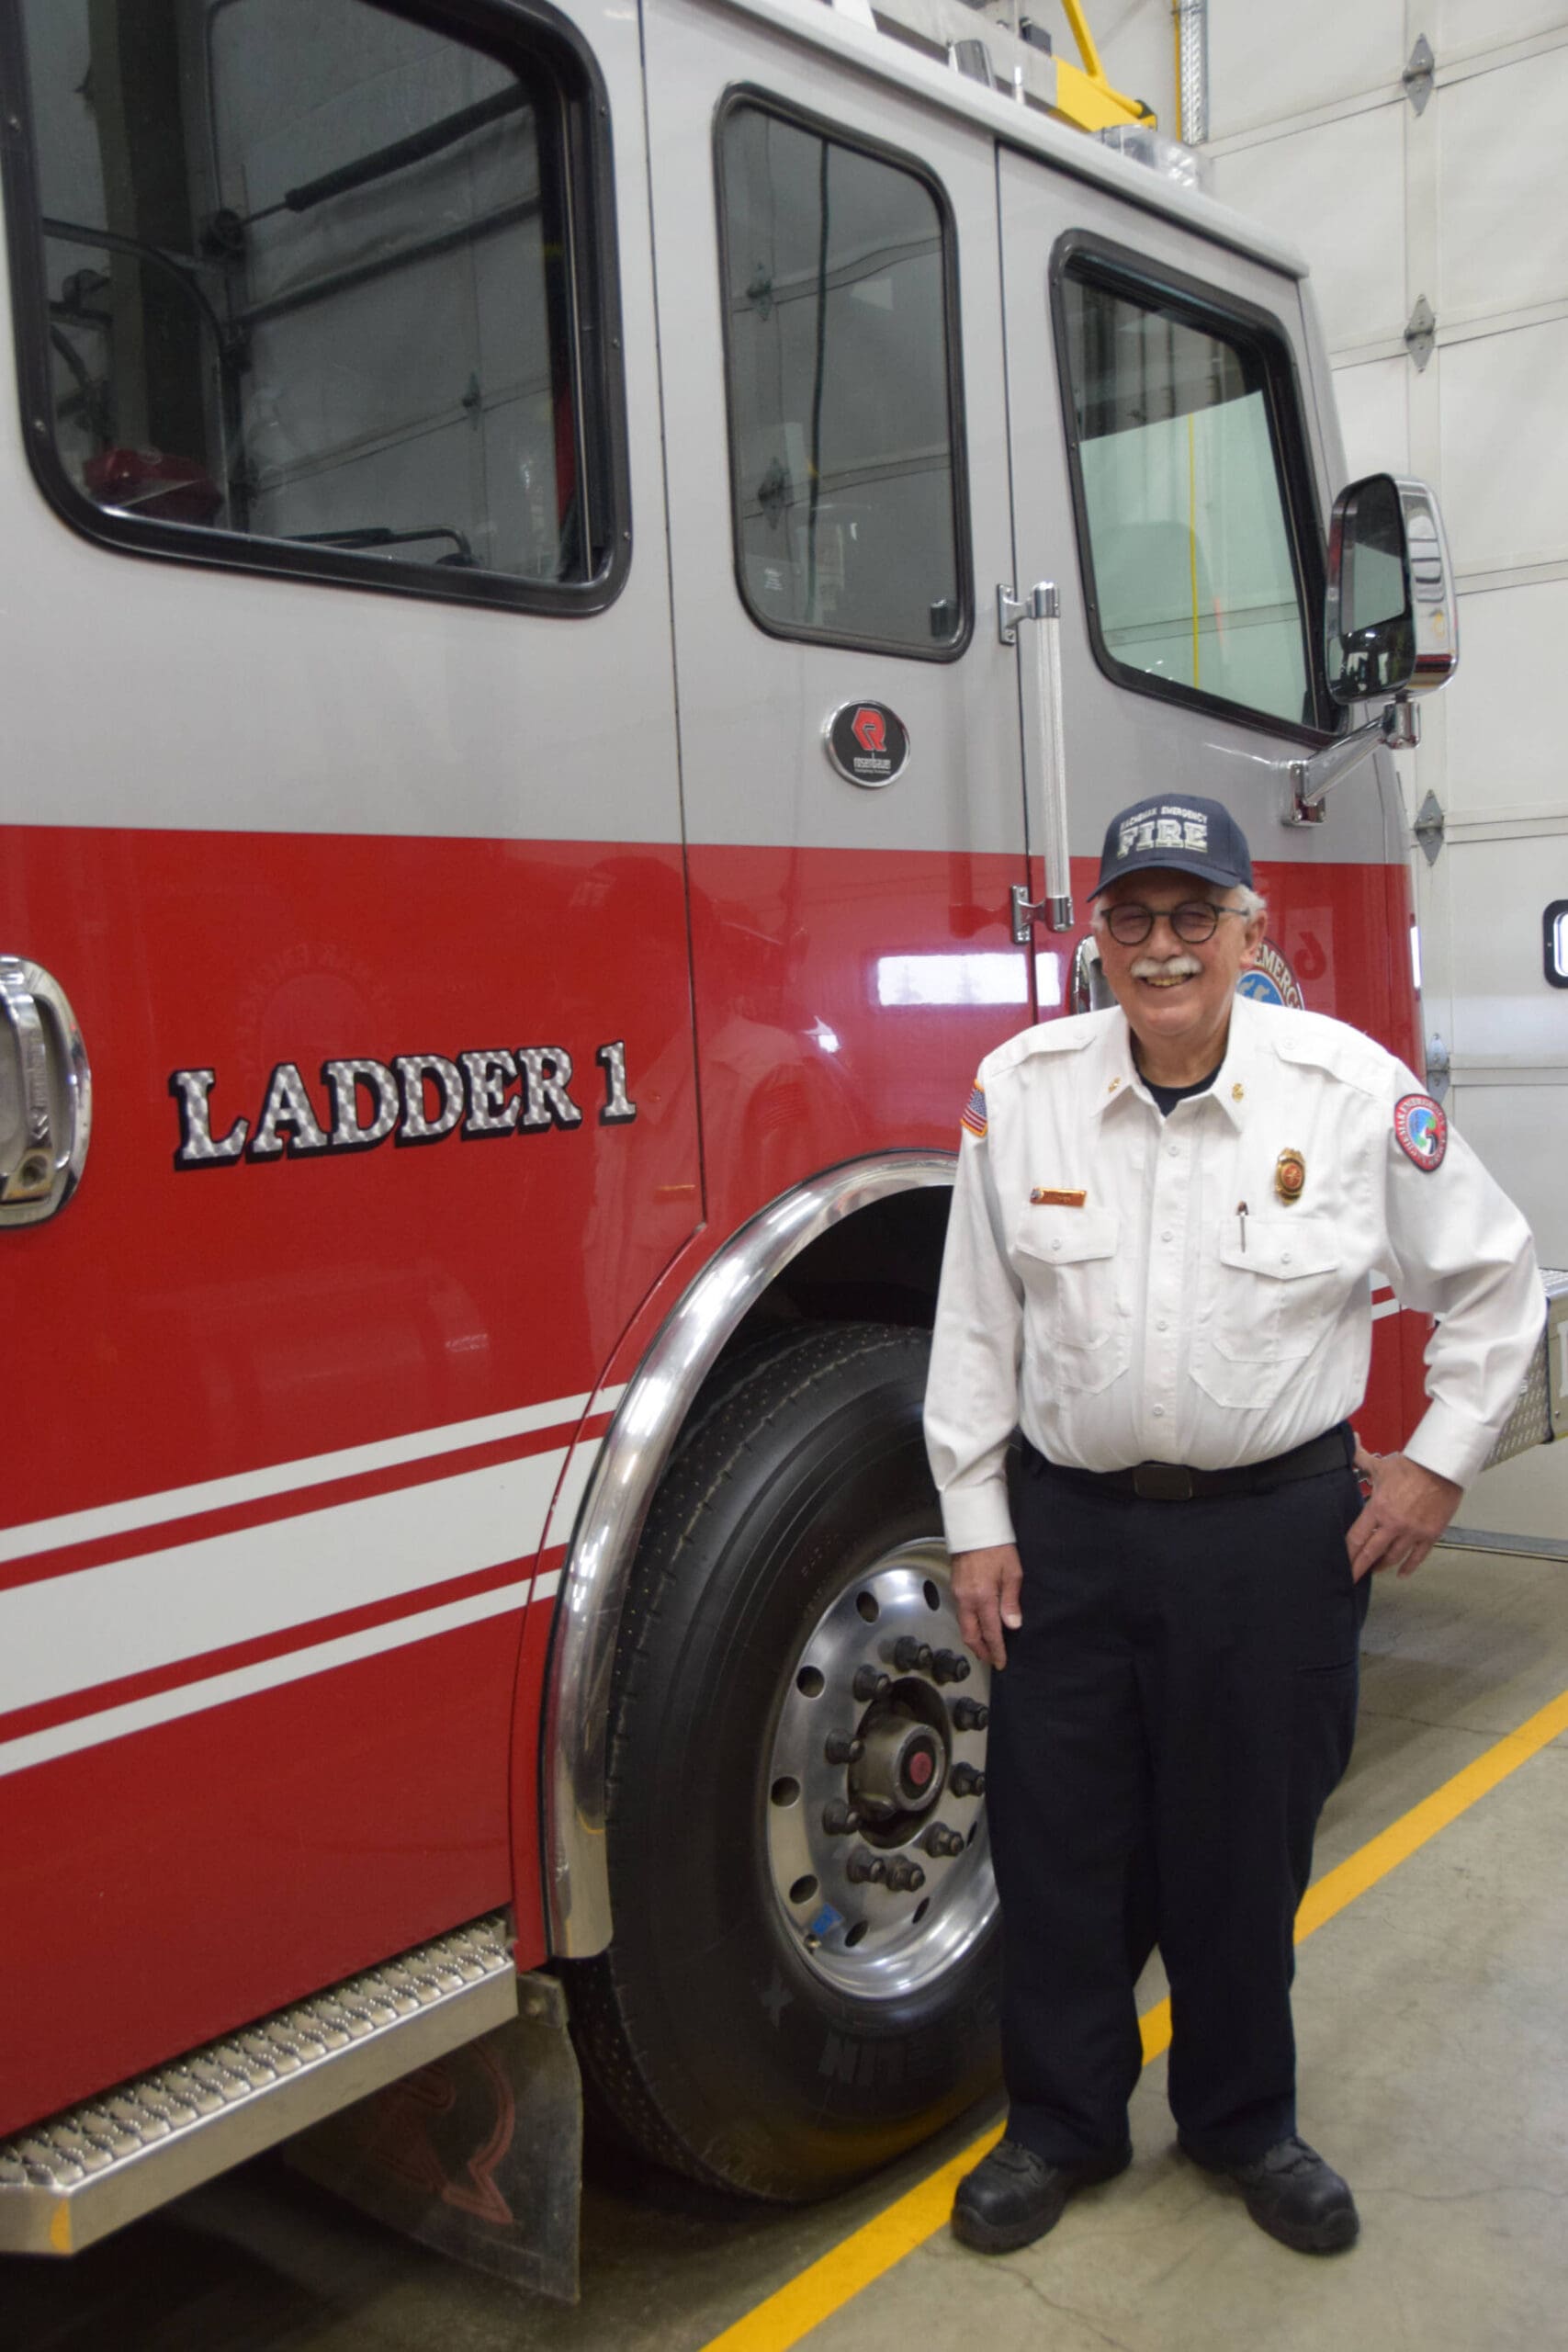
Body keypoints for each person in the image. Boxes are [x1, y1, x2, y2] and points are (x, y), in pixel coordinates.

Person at [925, 792, 1542, 2257]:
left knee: (1243, 1847)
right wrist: (971, 1516)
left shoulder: (1342, 1086)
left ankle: (1242, 2121)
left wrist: (1437, 1465)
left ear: (1247, 929)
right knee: (1059, 1843)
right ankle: (1060, 2126)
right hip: (1068, 1532)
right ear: (1096, 935)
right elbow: (972, 1325)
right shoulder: (1019, 1089)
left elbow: (1500, 1279)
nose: (1161, 948)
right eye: (1132, 917)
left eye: (1194, 915)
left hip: (1275, 1536)